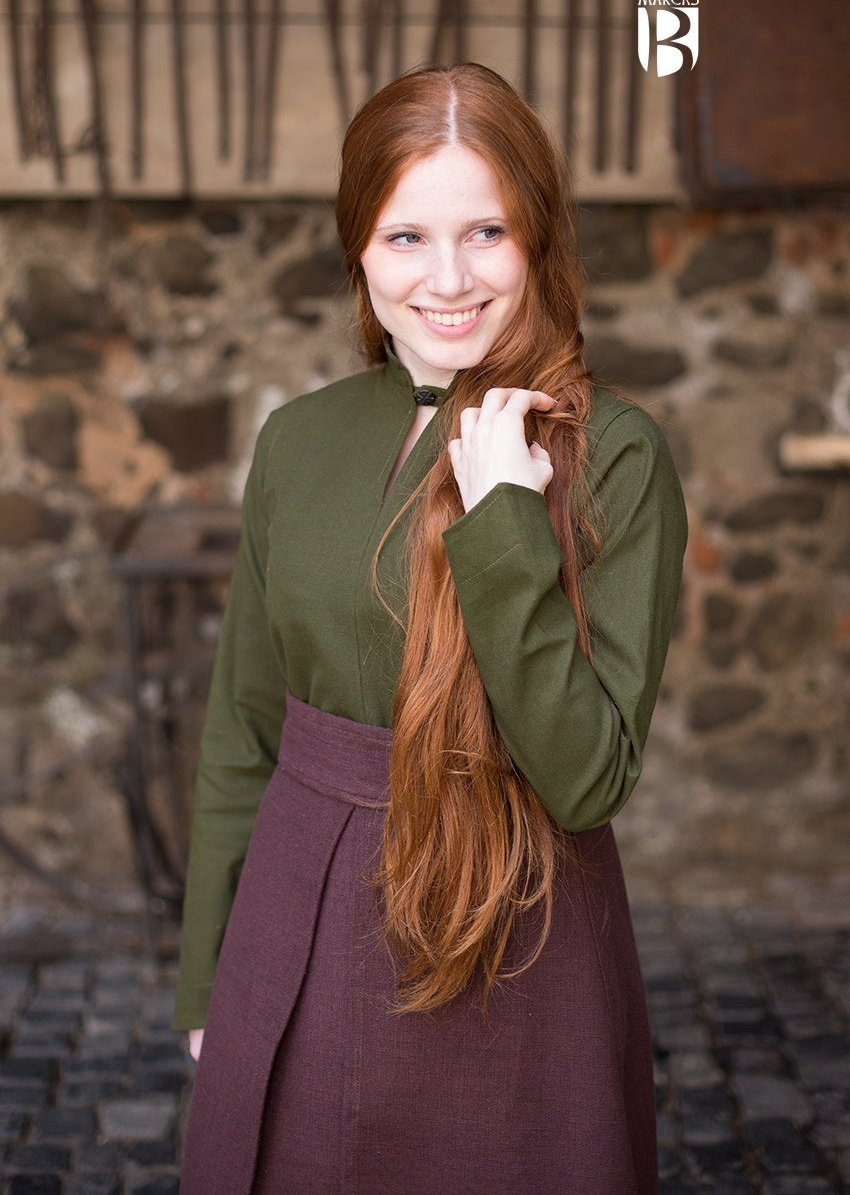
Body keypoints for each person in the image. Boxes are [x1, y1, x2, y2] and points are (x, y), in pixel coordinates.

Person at [175, 62, 687, 1195]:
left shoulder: (616, 453)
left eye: (485, 231)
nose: (447, 279)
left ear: (537, 236)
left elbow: (586, 775)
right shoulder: (296, 440)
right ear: (358, 245)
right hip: (295, 925)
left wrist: (506, 521)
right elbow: (241, 731)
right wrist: (211, 976)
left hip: (517, 928)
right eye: (407, 236)